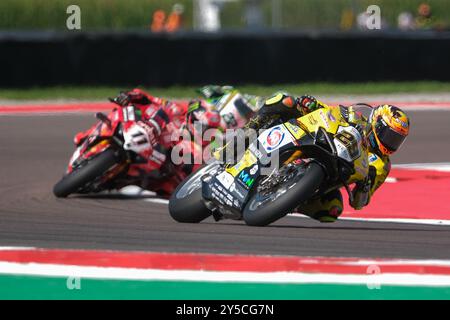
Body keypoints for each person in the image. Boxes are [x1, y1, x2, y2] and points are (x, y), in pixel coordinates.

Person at [246, 92, 410, 223]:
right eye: (389, 135)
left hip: (332, 176)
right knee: (283, 99)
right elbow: (331, 112)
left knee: (332, 210)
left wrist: (365, 186)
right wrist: (312, 104)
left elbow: (359, 203)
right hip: (319, 143)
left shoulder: (382, 166)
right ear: (377, 123)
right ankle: (244, 136)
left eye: (397, 139)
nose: (391, 142)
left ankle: (283, 202)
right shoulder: (355, 117)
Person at [73, 86, 259, 195]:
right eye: (245, 112)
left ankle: (120, 176)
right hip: (154, 135)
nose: (246, 117)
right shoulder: (183, 112)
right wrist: (134, 97)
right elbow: (157, 102)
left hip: (161, 169)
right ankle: (91, 138)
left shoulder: (217, 145)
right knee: (145, 107)